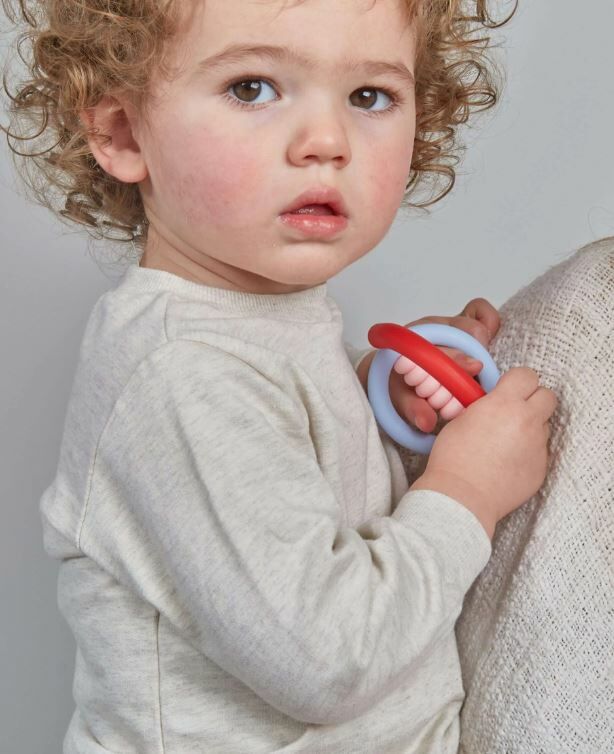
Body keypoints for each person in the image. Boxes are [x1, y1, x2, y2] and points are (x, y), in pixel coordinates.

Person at [2, 1, 556, 752]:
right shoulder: (181, 376)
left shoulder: (250, 326)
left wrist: (382, 393)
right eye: (252, 88)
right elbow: (328, 659)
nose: (327, 141)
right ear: (125, 133)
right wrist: (468, 491)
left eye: (369, 96)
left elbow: (296, 468)